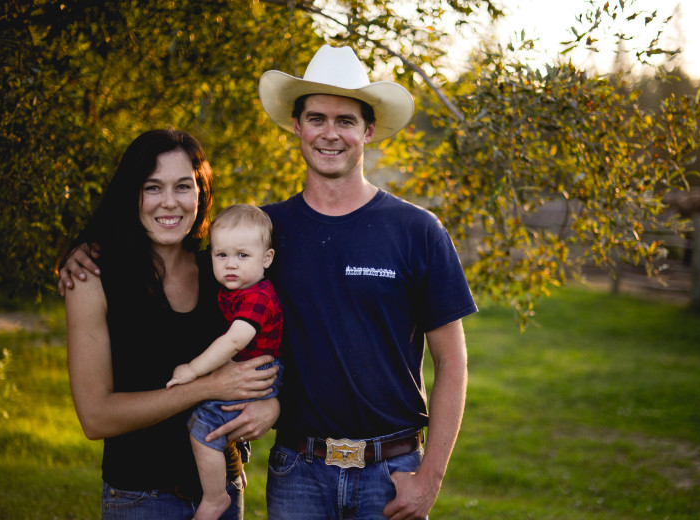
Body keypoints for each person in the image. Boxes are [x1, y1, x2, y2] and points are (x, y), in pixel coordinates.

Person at [60, 45, 477, 520]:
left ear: (368, 129)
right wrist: (88, 249)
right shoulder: (263, 235)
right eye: (316, 117)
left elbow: (453, 361)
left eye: (346, 120)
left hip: (390, 470)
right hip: (298, 471)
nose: (330, 133)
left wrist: (431, 479)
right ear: (296, 127)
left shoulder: (417, 230)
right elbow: (261, 335)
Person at [59, 128, 280, 519]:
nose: (169, 203)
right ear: (132, 194)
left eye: (183, 186)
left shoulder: (223, 272)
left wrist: (274, 405)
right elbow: (95, 417)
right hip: (141, 499)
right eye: (152, 187)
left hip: (224, 492)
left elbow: (275, 345)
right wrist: (208, 386)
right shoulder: (93, 275)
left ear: (201, 193)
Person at [166, 203, 284, 520]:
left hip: (257, 373)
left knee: (202, 429)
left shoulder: (257, 297)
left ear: (267, 259)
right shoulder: (238, 287)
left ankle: (216, 497)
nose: (231, 265)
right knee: (216, 423)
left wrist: (192, 370)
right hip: (250, 369)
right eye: (222, 256)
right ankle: (229, 469)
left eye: (242, 256)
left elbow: (233, 341)